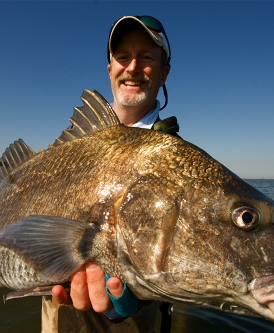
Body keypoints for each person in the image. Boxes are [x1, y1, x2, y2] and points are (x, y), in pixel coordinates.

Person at [41, 15, 179, 333]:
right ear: (110, 70)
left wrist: (140, 296)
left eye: (146, 57)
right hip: (59, 308)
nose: (132, 67)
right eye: (122, 57)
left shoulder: (177, 160)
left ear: (163, 73)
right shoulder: (73, 148)